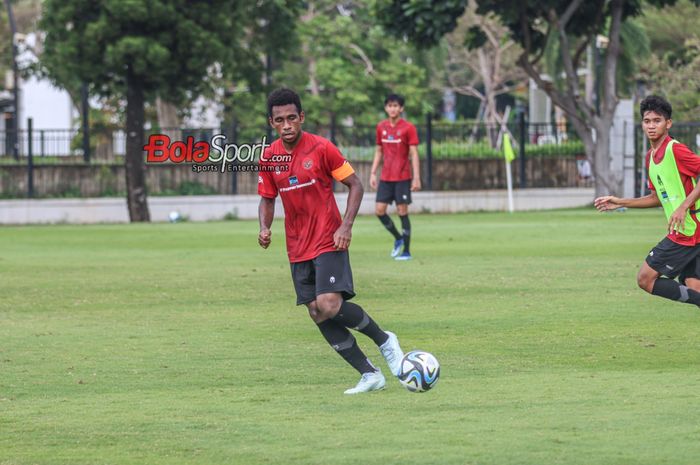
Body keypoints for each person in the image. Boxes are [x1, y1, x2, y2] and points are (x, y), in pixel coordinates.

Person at [257, 88, 405, 394]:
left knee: (329, 303)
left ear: (302, 118)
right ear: (272, 123)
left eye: (292, 118)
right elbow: (267, 198)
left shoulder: (322, 148)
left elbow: (356, 185)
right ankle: (369, 374)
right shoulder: (269, 157)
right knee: (315, 311)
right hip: (297, 246)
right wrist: (265, 227)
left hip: (328, 239)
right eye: (280, 120)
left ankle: (384, 340)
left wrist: (346, 226)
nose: (287, 125)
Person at [594, 95, 700, 308]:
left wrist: (683, 206)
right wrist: (621, 202)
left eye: (657, 120)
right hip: (687, 231)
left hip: (687, 231)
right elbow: (656, 197)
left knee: (645, 279)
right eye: (647, 121)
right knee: (693, 285)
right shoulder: (650, 157)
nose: (651, 126)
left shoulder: (675, 150)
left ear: (668, 123)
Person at [370, 94, 421, 260]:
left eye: (396, 106)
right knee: (379, 210)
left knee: (402, 211)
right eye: (390, 105)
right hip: (385, 177)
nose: (393, 108)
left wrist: (416, 177)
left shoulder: (408, 128)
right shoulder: (381, 127)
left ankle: (406, 251)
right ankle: (398, 238)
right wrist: (372, 173)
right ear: (386, 108)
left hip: (402, 177)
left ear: (401, 108)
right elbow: (379, 150)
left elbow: (414, 153)